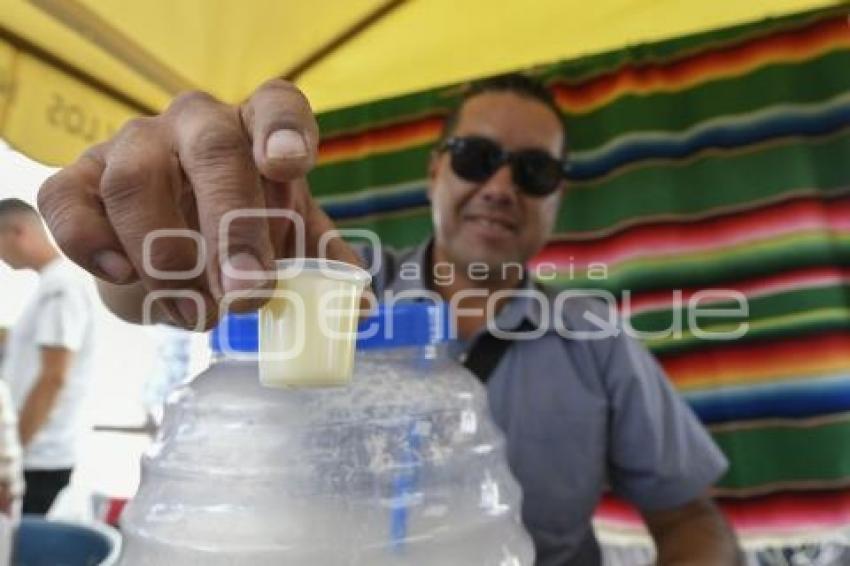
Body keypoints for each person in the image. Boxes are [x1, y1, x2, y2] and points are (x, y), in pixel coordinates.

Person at [38, 74, 741, 564]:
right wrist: (150, 243)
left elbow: (690, 519)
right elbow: (165, 299)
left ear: (557, 198)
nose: (500, 187)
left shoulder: (598, 340)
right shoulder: (326, 292)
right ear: (437, 171)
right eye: (477, 157)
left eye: (533, 172)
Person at [0, 198, 97, 515]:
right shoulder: (51, 286)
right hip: (33, 453)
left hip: (37, 458)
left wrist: (10, 455)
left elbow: (53, 377)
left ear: (17, 232)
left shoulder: (61, 288)